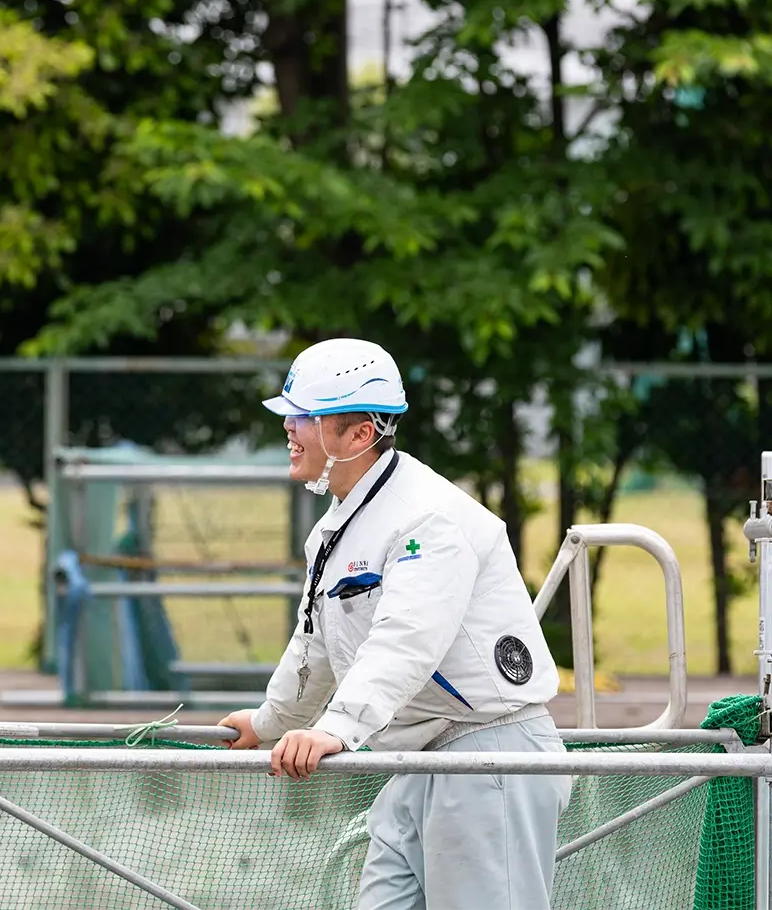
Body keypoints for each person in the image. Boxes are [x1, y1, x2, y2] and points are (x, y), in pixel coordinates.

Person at [218, 338, 572, 910]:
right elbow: (315, 646)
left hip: (488, 757)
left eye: (304, 415)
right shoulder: (339, 525)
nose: (288, 426)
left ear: (359, 435)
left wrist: (335, 729)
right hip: (417, 758)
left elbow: (407, 639)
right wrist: (272, 722)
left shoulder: (427, 517)